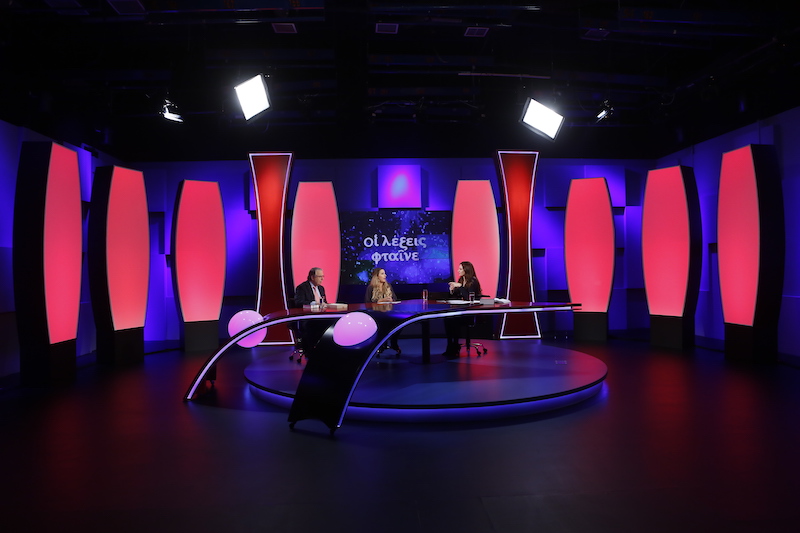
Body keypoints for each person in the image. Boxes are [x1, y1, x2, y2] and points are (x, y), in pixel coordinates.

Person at [443, 261, 482, 359]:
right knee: (447, 319)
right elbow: (455, 297)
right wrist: (452, 290)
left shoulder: (473, 281)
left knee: (454, 320)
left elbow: (469, 297)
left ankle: (455, 346)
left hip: (469, 313)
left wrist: (460, 287)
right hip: (460, 310)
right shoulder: (461, 280)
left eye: (460, 269)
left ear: (466, 270)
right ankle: (450, 345)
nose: (458, 271)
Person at [365, 267, 401, 355]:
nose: (385, 275)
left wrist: (391, 300)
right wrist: (380, 301)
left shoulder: (388, 286)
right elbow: (367, 302)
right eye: (382, 274)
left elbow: (395, 298)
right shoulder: (371, 288)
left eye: (384, 273)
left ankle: (394, 343)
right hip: (377, 314)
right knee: (382, 325)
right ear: (377, 276)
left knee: (399, 323)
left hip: (389, 312)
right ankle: (381, 345)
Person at [293, 267, 328, 355]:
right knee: (314, 327)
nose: (322, 279)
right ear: (312, 277)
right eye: (320, 276)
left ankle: (324, 350)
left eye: (323, 276)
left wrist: (325, 304)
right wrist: (313, 303)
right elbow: (298, 303)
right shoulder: (302, 288)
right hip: (308, 318)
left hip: (320, 317)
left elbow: (325, 302)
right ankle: (311, 352)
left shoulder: (321, 288)